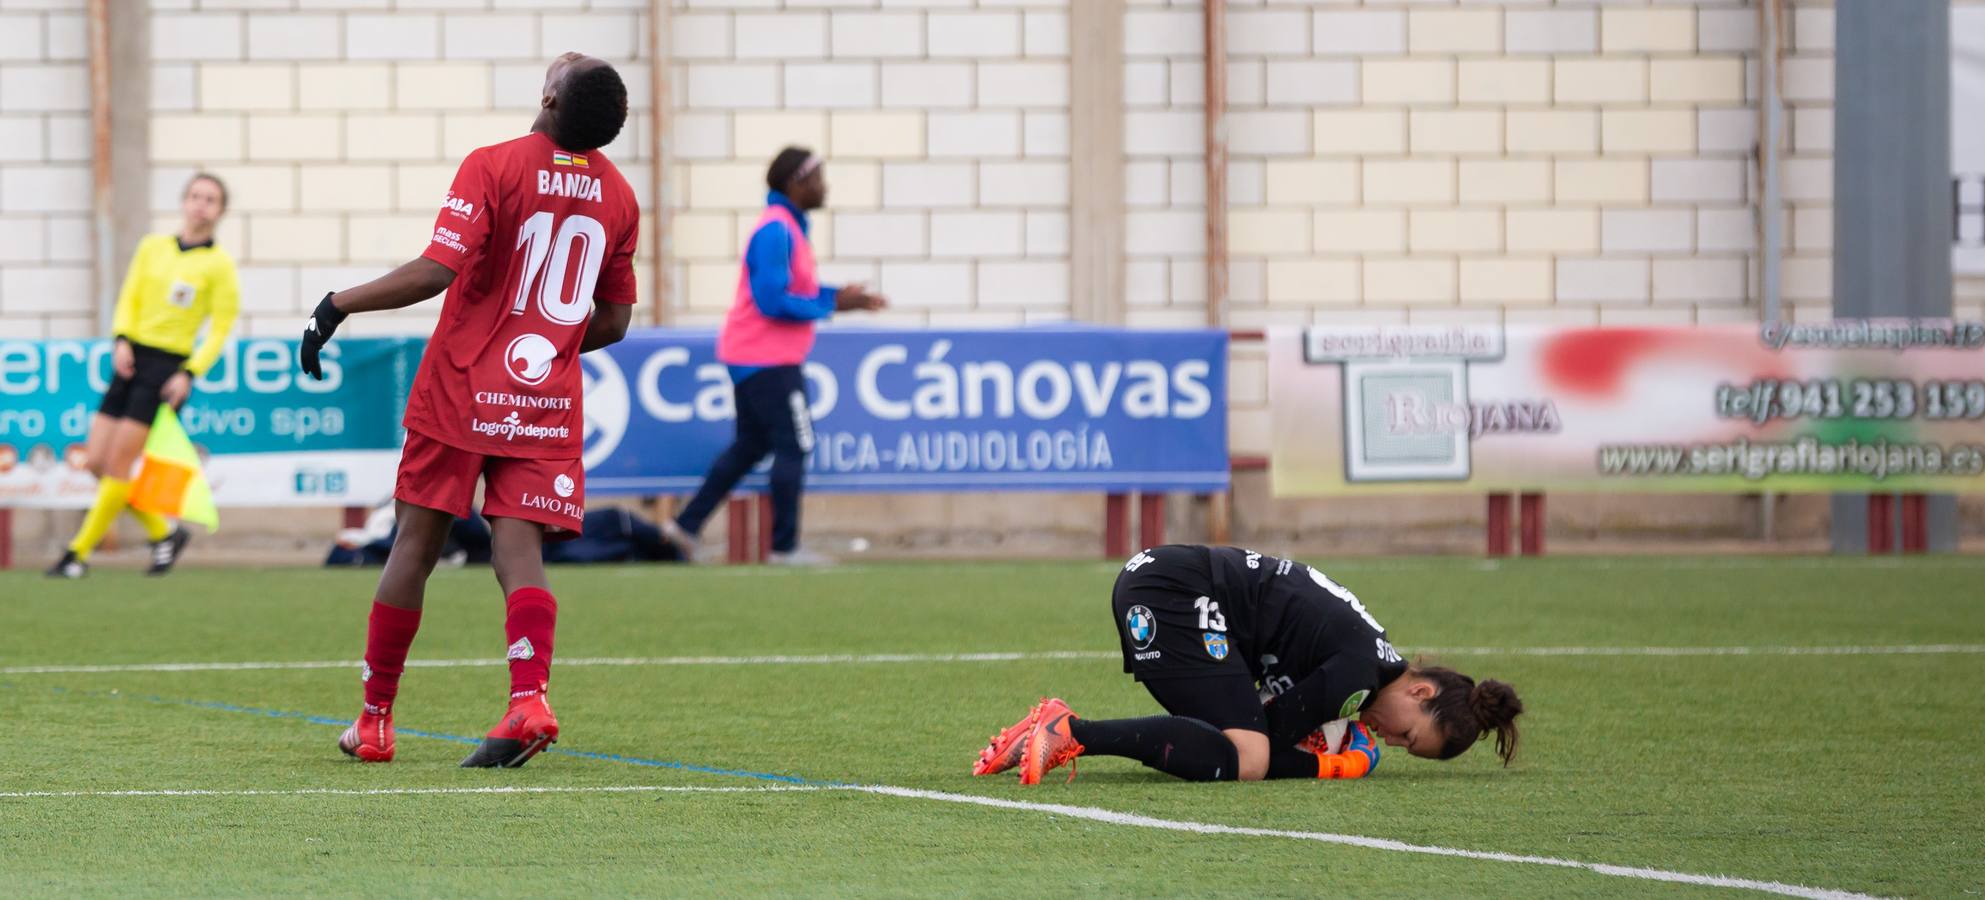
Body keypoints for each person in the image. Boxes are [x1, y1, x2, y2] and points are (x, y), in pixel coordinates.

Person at [295, 52, 637, 769]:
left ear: (548, 95)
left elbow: (435, 271)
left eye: (565, 64)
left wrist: (336, 305)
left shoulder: (493, 165)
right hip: (542, 398)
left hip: (460, 388)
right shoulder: (619, 196)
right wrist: (545, 342)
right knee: (520, 552)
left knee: (413, 546)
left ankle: (376, 722)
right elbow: (613, 322)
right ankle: (528, 700)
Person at [973, 544, 1524, 784]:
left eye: (1404, 749)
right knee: (1251, 757)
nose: (1391, 742)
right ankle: (1067, 729)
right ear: (1421, 692)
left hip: (1170, 584)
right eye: (1409, 735)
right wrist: (1332, 763)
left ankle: (1042, 735)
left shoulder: (1366, 660)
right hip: (1172, 591)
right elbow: (1269, 737)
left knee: (1237, 745)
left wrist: (1320, 738)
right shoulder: (1358, 675)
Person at [660, 147, 887, 566]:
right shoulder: (776, 230)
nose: (825, 186)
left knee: (750, 445)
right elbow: (771, 300)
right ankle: (784, 548)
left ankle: (684, 528)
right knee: (796, 442)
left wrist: (840, 298)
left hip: (759, 355)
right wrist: (833, 304)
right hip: (765, 357)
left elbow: (796, 293)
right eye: (818, 177)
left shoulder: (789, 229)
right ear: (795, 184)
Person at [47, 174, 239, 580]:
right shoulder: (153, 247)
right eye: (195, 196)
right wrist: (120, 340)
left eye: (211, 199)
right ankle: (164, 532)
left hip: (166, 369)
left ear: (220, 211)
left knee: (119, 464)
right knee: (96, 462)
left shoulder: (218, 265)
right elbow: (129, 295)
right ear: (184, 202)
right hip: (131, 357)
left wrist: (189, 372)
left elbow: (221, 328)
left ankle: (76, 554)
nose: (201, 204)